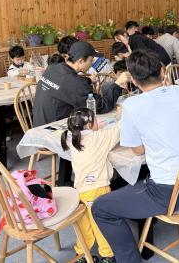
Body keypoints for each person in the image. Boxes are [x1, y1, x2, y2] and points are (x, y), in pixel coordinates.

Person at [91, 50, 179, 263]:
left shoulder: (132, 105)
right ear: (163, 71)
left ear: (133, 80)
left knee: (101, 208)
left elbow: (139, 151)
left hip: (172, 192)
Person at [60, 107, 119, 263]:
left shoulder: (71, 138)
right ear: (89, 125)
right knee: (101, 223)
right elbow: (119, 129)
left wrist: (95, 128)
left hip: (81, 190)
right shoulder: (98, 138)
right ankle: (108, 255)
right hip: (98, 189)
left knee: (84, 223)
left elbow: (88, 135)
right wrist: (121, 115)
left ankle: (82, 254)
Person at [33, 41, 128, 126]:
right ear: (81, 61)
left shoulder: (53, 68)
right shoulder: (74, 83)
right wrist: (117, 83)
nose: (91, 64)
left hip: (38, 125)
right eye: (91, 60)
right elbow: (102, 106)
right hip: (53, 130)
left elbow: (67, 85)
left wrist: (88, 80)